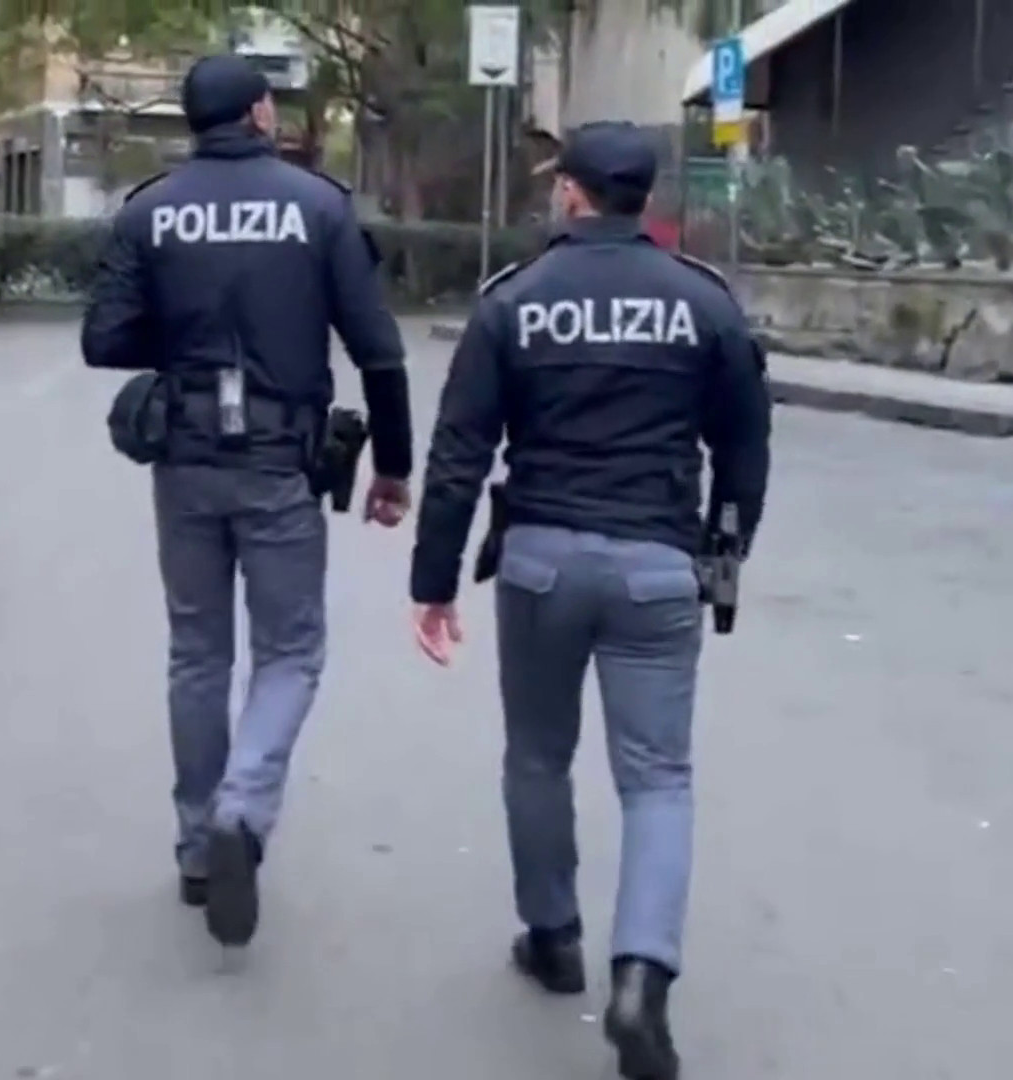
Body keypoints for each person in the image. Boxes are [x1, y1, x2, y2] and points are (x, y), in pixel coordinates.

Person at [407, 121, 771, 1080]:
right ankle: (642, 977)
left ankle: (554, 936)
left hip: (541, 563)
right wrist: (724, 554)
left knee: (537, 755)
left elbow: (460, 453)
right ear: (643, 197)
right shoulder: (704, 302)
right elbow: (744, 448)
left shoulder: (514, 300)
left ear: (572, 192)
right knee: (658, 780)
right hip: (658, 567)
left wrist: (433, 583)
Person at [81, 54, 415, 949]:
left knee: (197, 652)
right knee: (291, 651)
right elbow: (379, 349)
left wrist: (183, 336)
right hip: (281, 460)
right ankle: (243, 805)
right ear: (261, 113)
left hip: (185, 458)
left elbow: (104, 339)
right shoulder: (318, 207)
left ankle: (200, 846)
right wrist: (392, 464)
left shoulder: (150, 210)